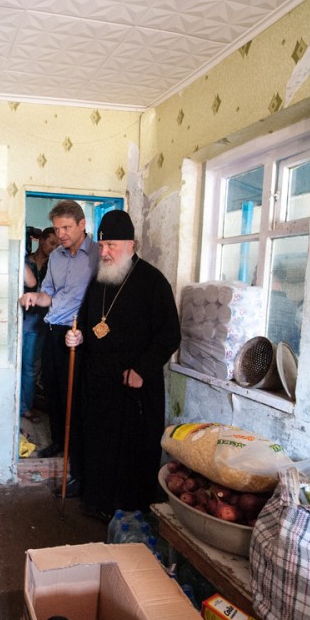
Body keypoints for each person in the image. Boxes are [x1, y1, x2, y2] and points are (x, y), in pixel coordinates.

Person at [65, 210, 181, 521]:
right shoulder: (100, 281)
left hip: (134, 386)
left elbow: (170, 334)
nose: (104, 253)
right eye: (102, 247)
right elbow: (92, 326)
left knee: (131, 450)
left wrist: (142, 369)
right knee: (99, 444)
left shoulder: (153, 282)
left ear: (130, 244)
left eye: (111, 246)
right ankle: (98, 501)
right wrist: (78, 338)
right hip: (100, 384)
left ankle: (130, 509)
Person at [19, 200, 99, 498]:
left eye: (66, 227)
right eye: (57, 228)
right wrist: (33, 298)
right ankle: (59, 443)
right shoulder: (57, 257)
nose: (61, 234)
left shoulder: (98, 257)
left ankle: (77, 465)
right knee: (52, 390)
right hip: (53, 331)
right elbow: (49, 294)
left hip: (78, 335)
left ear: (82, 225)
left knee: (75, 399)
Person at [21, 227, 58, 424]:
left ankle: (25, 408)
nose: (54, 248)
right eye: (51, 243)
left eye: (57, 245)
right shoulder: (25, 260)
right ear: (41, 240)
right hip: (21, 319)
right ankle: (18, 407)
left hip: (41, 322)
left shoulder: (55, 264)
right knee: (18, 366)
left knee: (30, 368)